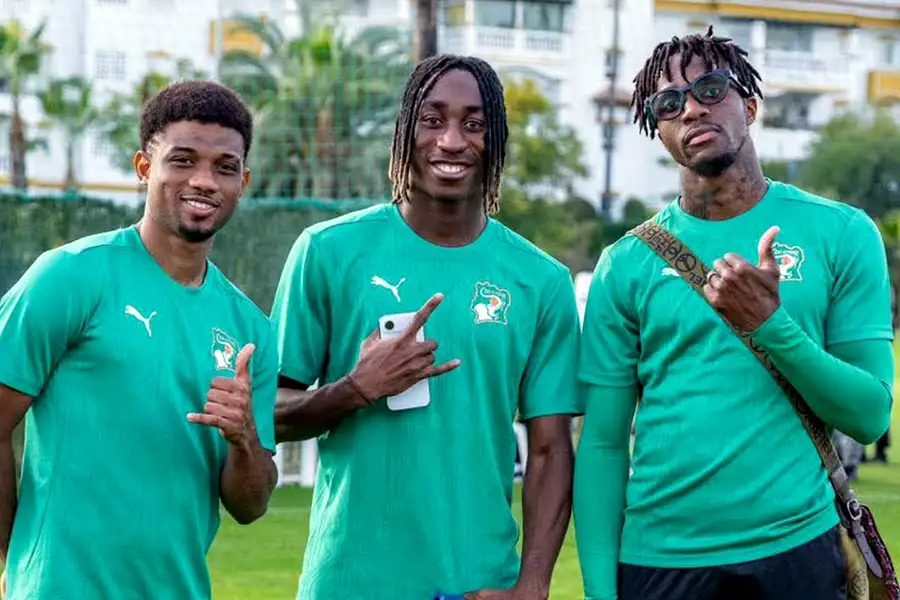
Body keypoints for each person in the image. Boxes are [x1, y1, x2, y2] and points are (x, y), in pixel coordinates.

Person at [574, 26, 893, 600]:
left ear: (749, 106)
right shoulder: (624, 264)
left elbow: (869, 415)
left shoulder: (842, 232)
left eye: (710, 89)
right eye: (668, 103)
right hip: (659, 560)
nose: (692, 108)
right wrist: (600, 590)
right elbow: (602, 443)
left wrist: (771, 325)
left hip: (798, 549)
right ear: (659, 131)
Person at [270, 53, 581, 600]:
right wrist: (356, 388)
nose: (452, 140)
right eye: (432, 120)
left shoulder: (541, 281)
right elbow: (269, 414)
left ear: (497, 139)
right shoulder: (326, 251)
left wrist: (533, 585)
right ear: (404, 133)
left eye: (475, 124)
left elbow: (551, 449)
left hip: (476, 584)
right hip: (349, 583)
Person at [0, 80, 278, 599]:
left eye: (224, 167)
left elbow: (251, 505)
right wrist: (16, 563)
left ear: (243, 182)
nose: (204, 181)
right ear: (145, 168)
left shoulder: (250, 330)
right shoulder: (71, 276)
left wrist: (243, 439)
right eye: (183, 160)